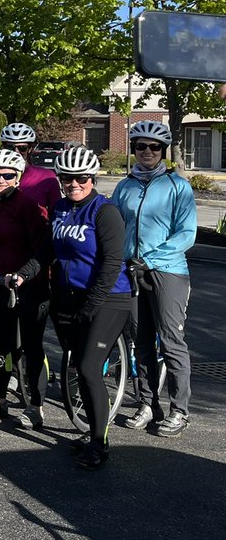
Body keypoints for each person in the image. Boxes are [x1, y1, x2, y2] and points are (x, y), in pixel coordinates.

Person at [111, 121, 198, 437]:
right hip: (131, 270)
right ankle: (148, 405)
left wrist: (150, 259)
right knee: (141, 342)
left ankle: (180, 410)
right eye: (140, 146)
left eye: (154, 147)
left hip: (168, 271)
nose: (147, 152)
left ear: (164, 151)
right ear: (133, 149)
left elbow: (186, 233)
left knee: (171, 342)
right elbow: (115, 228)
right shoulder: (125, 187)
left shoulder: (177, 186)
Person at [50, 145, 131, 470]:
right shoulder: (60, 208)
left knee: (88, 367)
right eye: (67, 178)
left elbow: (112, 264)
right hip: (69, 299)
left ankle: (100, 444)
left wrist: (90, 306)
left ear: (92, 178)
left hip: (108, 299)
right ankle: (92, 432)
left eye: (81, 178)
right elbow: (47, 249)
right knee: (77, 366)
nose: (74, 184)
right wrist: (23, 274)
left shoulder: (104, 211)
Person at [0, 149, 52, 427]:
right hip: (0, 283)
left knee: (32, 347)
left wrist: (23, 276)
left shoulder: (28, 206)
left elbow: (42, 250)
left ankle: (36, 406)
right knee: (2, 346)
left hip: (30, 285)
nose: (0, 179)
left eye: (8, 175)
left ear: (18, 177)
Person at [0, 123, 61, 212]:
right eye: (10, 147)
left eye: (22, 148)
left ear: (30, 148)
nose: (16, 152)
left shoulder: (46, 177)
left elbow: (56, 212)